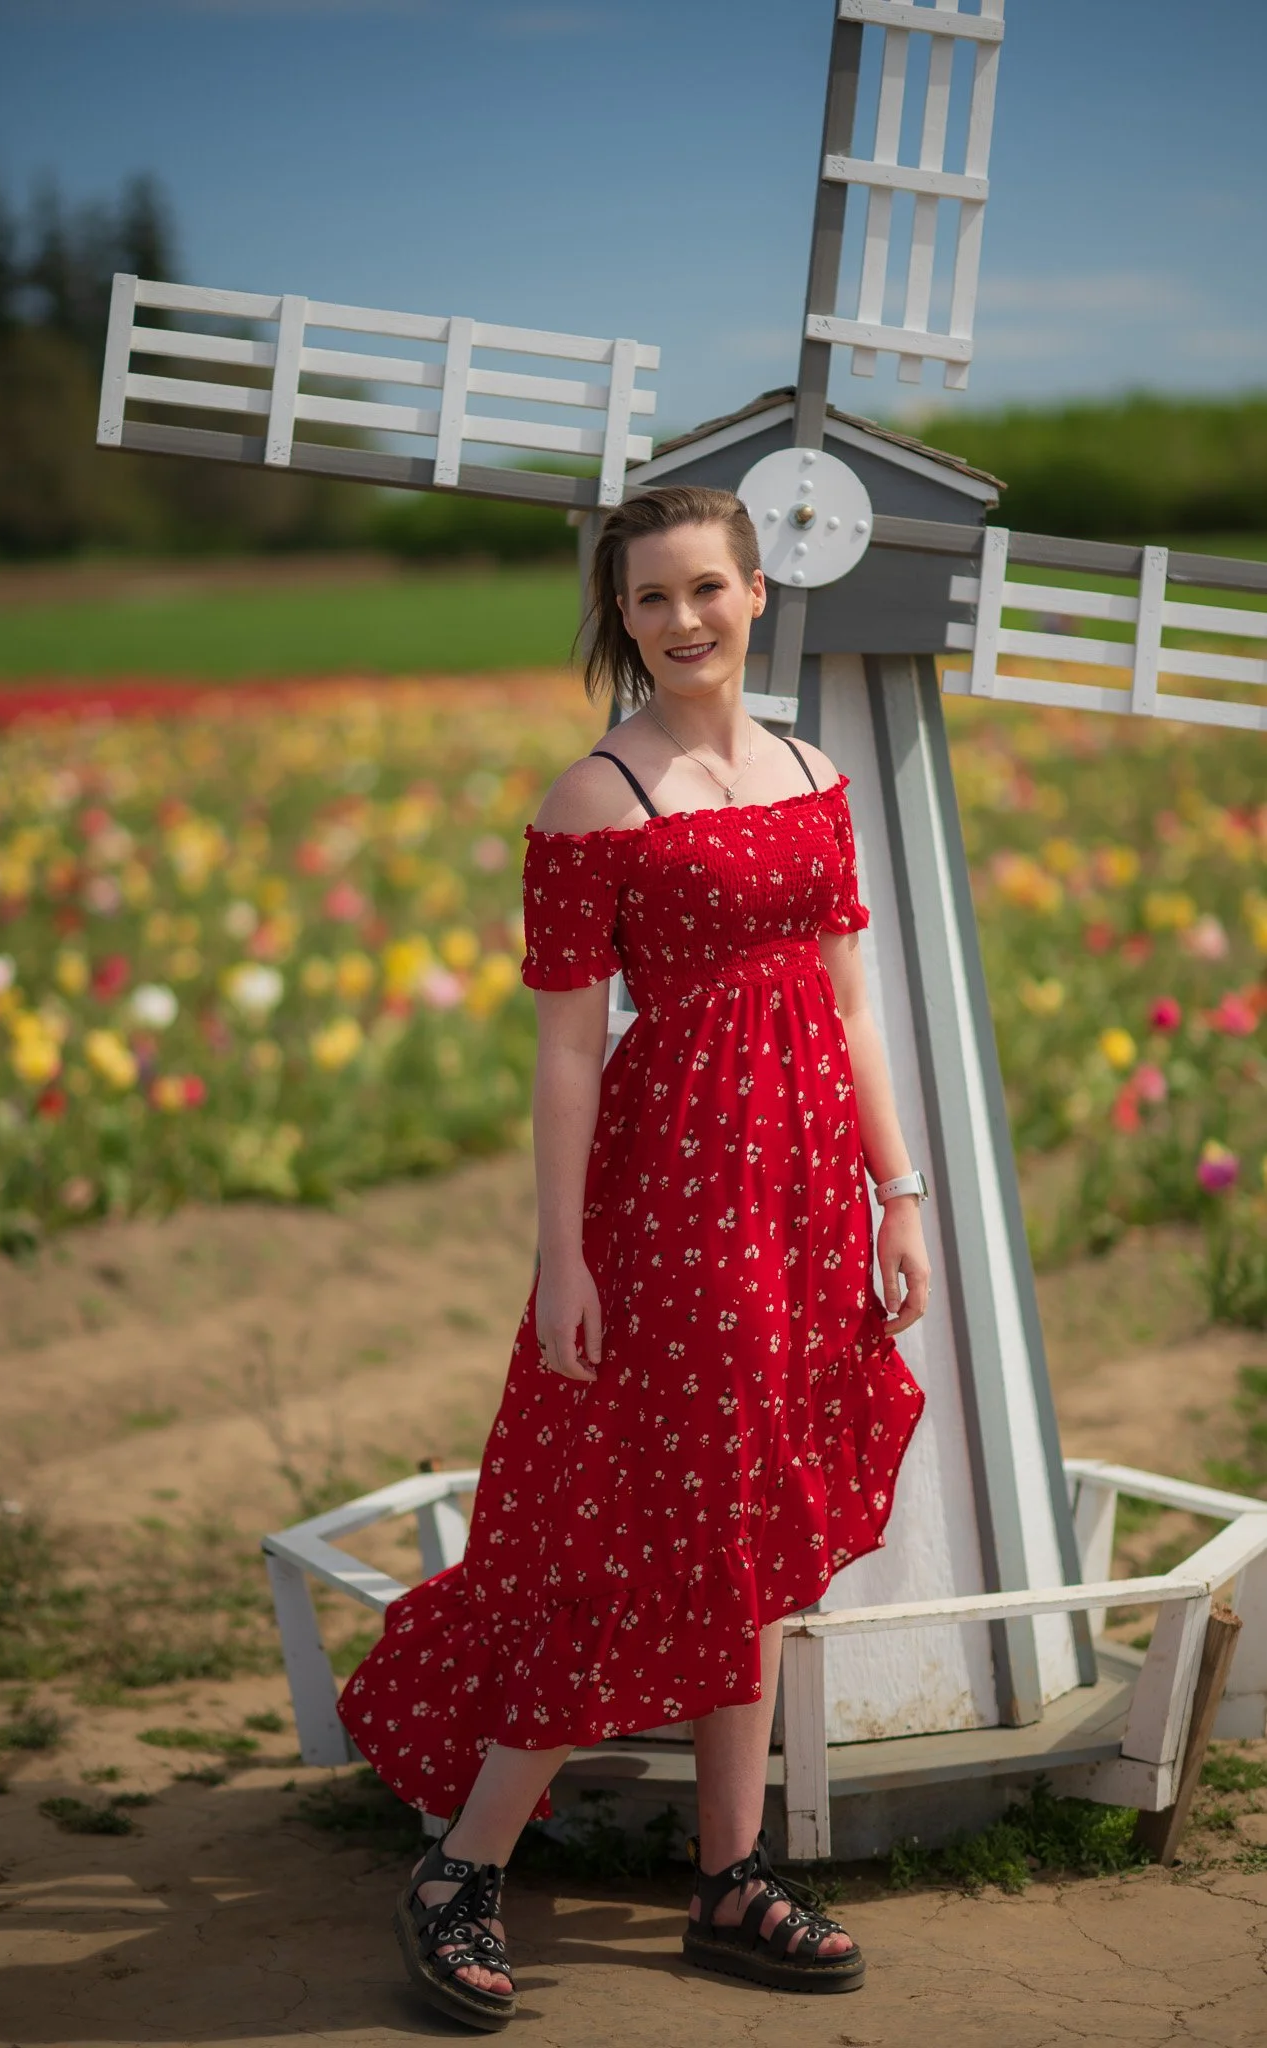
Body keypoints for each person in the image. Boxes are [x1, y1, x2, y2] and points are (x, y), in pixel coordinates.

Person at [338, 483, 930, 2029]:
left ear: (755, 592)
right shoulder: (596, 797)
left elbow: (856, 1004)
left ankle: (730, 1872)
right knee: (624, 1521)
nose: (680, 622)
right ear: (620, 616)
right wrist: (563, 1258)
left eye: (704, 590)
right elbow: (565, 1058)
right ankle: (464, 1863)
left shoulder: (811, 770)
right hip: (672, 1202)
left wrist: (900, 1191)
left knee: (754, 1509)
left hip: (804, 1201)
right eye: (649, 599)